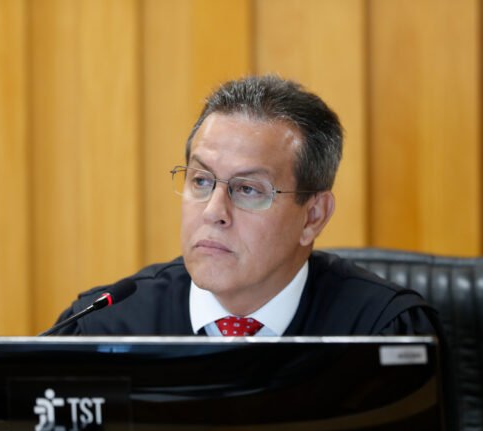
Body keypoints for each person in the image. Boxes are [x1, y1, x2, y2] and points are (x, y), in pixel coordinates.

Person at [52, 75, 441, 337]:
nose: (214, 212)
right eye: (201, 181)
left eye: (248, 190)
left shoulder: (382, 333)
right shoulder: (105, 326)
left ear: (313, 216)